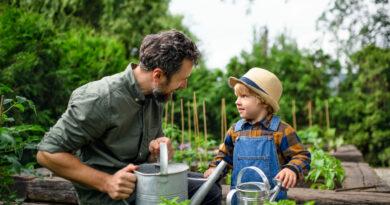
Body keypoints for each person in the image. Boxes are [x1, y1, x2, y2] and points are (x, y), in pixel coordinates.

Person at [37, 30, 221, 205]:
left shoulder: (155, 96)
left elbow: (145, 160)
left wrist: (157, 154)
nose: (184, 85)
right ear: (158, 75)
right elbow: (47, 153)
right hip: (109, 198)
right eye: (182, 78)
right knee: (209, 191)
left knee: (209, 184)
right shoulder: (101, 98)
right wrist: (106, 182)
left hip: (142, 186)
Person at [204, 67, 311, 201]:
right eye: (237, 96)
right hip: (241, 199)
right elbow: (225, 156)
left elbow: (302, 156)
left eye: (243, 96)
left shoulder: (281, 130)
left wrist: (292, 169)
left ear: (263, 101)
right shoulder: (235, 131)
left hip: (272, 200)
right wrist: (215, 169)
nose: (237, 102)